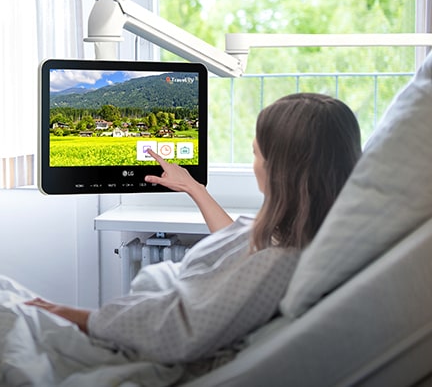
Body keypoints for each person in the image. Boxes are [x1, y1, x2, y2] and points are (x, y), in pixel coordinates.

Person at [27, 93, 362, 364]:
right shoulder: (316, 236)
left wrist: (70, 314)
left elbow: (178, 329)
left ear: (280, 170)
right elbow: (240, 248)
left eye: (256, 154)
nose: (254, 165)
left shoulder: (281, 262)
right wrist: (193, 188)